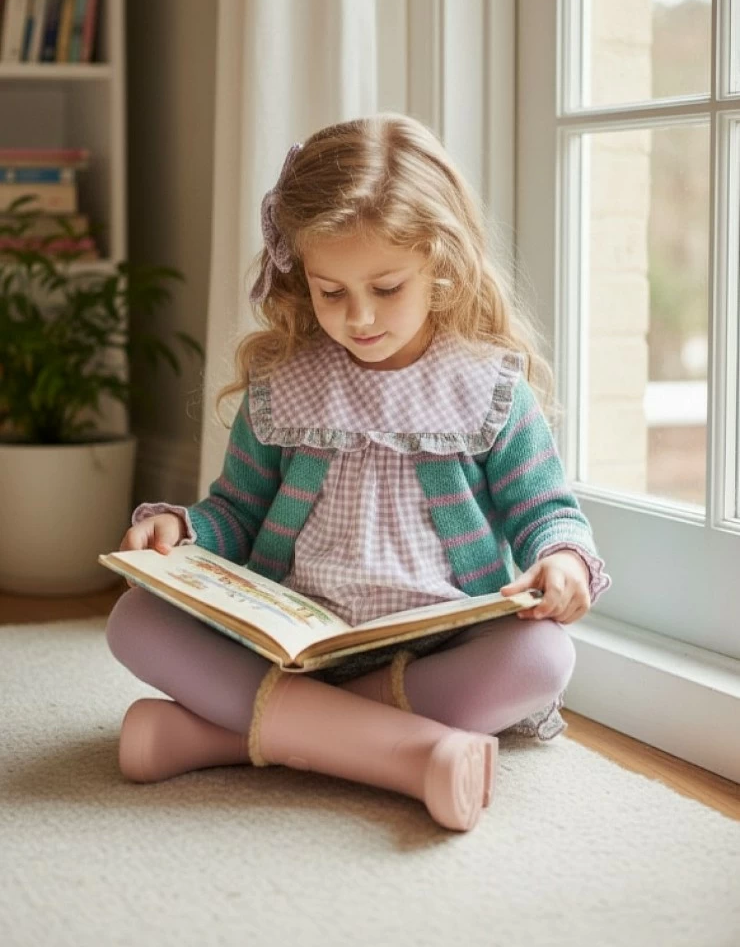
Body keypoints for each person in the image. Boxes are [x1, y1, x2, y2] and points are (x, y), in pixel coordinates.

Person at [106, 113, 611, 832]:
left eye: (386, 287)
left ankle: (233, 735)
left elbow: (544, 510)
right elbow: (237, 513)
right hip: (293, 650)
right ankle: (409, 754)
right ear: (299, 274)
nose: (359, 316)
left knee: (540, 659)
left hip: (436, 650)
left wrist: (561, 559)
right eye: (330, 291)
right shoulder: (284, 383)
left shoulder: (489, 388)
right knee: (135, 620)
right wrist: (181, 530)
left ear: (440, 264)